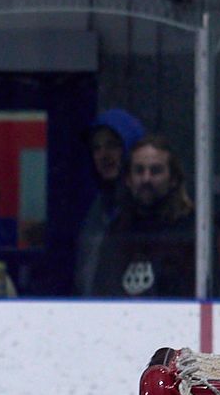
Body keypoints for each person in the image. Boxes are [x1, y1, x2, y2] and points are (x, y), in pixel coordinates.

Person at [93, 133, 197, 299]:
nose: (146, 179)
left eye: (155, 171)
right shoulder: (117, 230)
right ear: (128, 179)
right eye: (139, 170)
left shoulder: (192, 230)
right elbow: (102, 292)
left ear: (173, 179)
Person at [74, 107, 144, 297]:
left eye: (112, 145)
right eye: (96, 148)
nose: (103, 155)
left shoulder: (145, 209)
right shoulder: (96, 209)